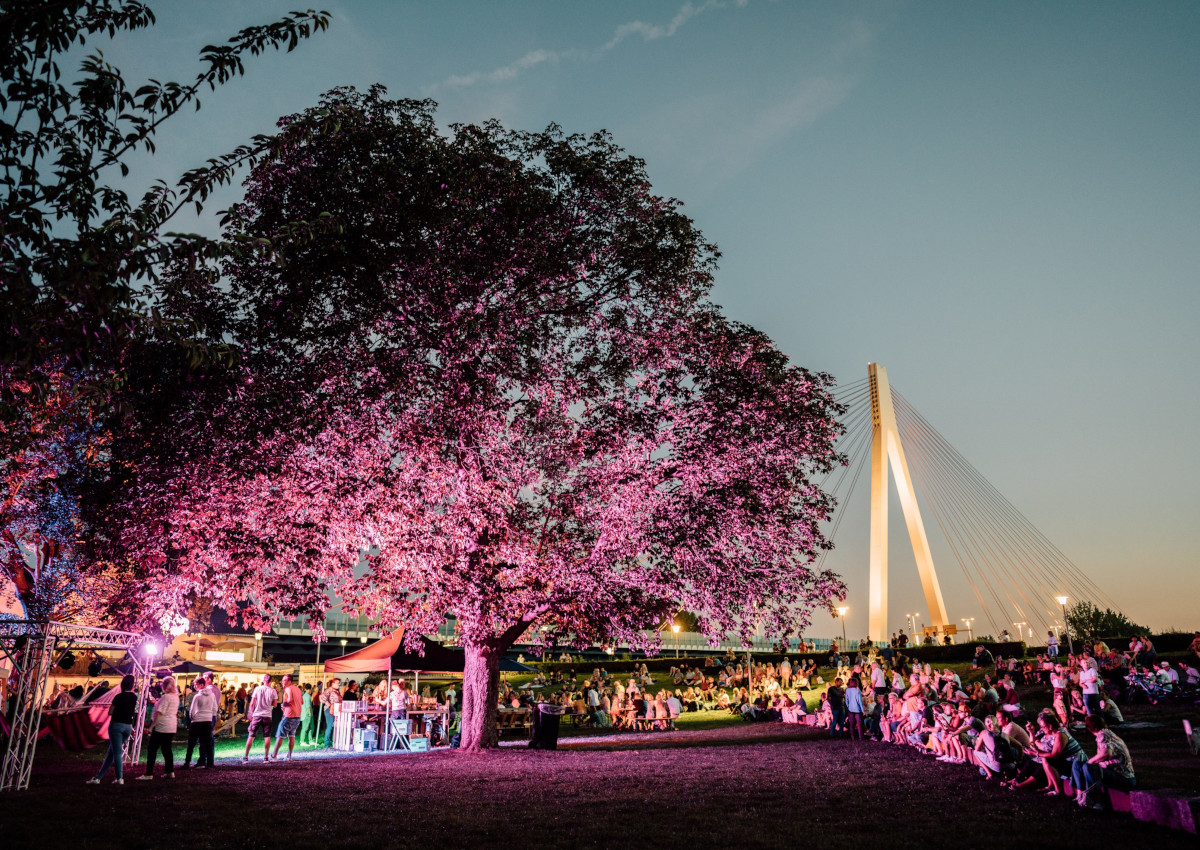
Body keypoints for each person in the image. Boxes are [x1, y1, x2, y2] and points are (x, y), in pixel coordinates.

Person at [1071, 715, 1136, 809]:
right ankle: (1080, 795)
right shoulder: (1104, 733)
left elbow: (1106, 754)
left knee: (1087, 766)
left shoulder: (1103, 734)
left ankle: (1097, 800)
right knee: (1077, 763)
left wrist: (1091, 761)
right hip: (1113, 771)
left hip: (1123, 777)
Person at [88, 675, 138, 785]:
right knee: (111, 753)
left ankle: (120, 778)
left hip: (116, 726)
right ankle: (98, 778)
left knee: (116, 753)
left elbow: (110, 712)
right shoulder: (134, 697)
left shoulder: (118, 697)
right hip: (128, 727)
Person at [138, 676, 179, 780]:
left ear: (164, 686)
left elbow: (160, 713)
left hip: (162, 726)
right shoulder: (175, 696)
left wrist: (151, 727)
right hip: (171, 726)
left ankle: (148, 774)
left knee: (152, 749)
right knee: (167, 749)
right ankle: (170, 772)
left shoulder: (166, 697)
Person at [181, 675, 217, 769]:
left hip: (197, 721)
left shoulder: (197, 696)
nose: (194, 686)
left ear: (201, 685)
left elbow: (192, 710)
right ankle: (209, 763)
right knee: (207, 743)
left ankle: (187, 763)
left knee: (191, 743)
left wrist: (193, 719)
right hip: (207, 721)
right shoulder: (212, 695)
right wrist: (210, 717)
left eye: (196, 685)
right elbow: (215, 709)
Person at [243, 673, 277, 764]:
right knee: (267, 736)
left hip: (257, 714)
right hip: (267, 715)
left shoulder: (257, 689)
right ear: (270, 681)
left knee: (251, 735)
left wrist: (250, 713)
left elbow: (252, 703)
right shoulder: (273, 691)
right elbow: (275, 704)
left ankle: (246, 757)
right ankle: (266, 757)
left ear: (263, 680)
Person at [271, 673, 303, 762]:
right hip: (297, 716)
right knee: (291, 735)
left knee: (280, 735)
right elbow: (301, 701)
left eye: (284, 680)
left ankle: (274, 756)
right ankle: (289, 756)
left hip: (289, 715)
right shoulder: (297, 689)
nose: (282, 682)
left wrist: (283, 704)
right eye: (282, 680)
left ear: (289, 681)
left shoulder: (288, 689)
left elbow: (290, 700)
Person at [320, 678, 342, 748]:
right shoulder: (329, 690)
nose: (339, 684)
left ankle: (330, 741)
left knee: (332, 726)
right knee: (329, 726)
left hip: (335, 710)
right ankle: (327, 743)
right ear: (333, 684)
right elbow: (321, 697)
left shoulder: (337, 691)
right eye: (337, 683)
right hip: (329, 710)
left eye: (339, 683)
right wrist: (329, 704)